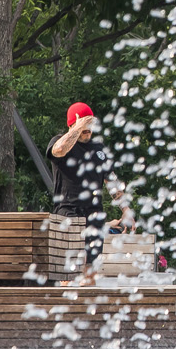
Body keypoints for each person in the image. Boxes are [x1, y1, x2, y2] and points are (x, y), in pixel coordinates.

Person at [50, 102, 112, 277]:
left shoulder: (98, 148)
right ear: (72, 125)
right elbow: (59, 150)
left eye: (90, 126)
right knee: (69, 271)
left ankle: (88, 302)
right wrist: (77, 128)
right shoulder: (59, 141)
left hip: (94, 214)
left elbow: (111, 179)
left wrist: (125, 208)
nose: (88, 130)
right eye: (85, 127)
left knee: (90, 271)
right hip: (69, 211)